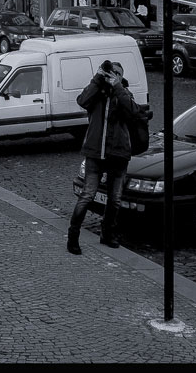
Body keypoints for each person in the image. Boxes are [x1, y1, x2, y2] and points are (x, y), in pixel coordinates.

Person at [68, 60, 152, 253]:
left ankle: (108, 234)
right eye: (111, 72)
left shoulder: (125, 94)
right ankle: (73, 236)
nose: (113, 75)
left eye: (118, 74)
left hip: (119, 153)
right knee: (87, 195)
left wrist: (118, 87)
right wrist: (97, 78)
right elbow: (82, 100)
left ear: (122, 78)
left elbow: (132, 111)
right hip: (95, 152)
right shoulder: (96, 92)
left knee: (115, 198)